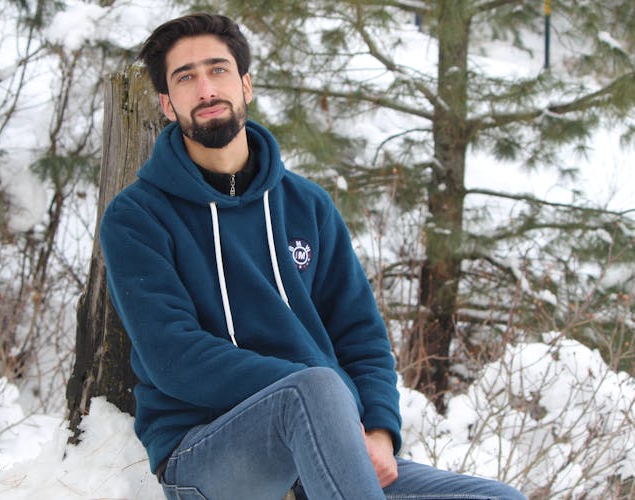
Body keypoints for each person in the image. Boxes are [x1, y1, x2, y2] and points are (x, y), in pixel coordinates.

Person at [100, 13, 526, 500]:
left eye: (218, 70)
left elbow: (360, 334)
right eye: (185, 77)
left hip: (327, 442)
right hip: (207, 455)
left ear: (246, 84)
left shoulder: (307, 205)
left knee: (498, 499)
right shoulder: (137, 217)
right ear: (167, 104)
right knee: (315, 388)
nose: (205, 89)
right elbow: (171, 356)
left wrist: (379, 432)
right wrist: (324, 399)